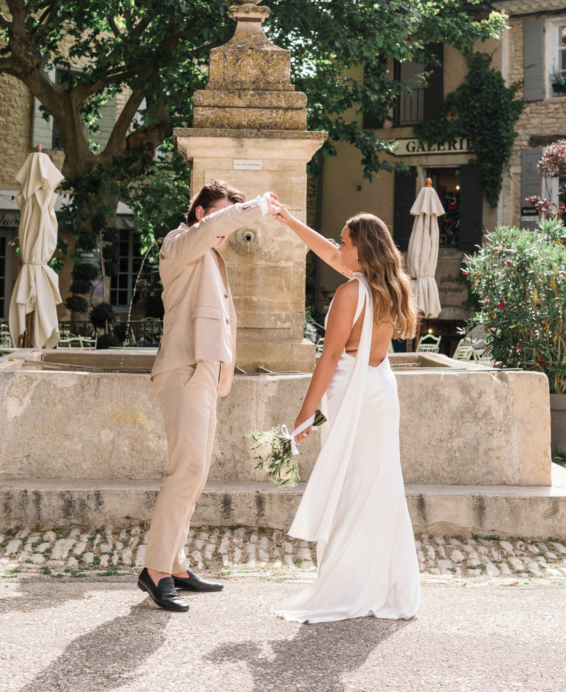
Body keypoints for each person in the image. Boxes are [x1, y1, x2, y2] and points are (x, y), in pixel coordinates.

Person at [266, 205, 421, 623]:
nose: (338, 247)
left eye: (344, 241)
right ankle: (383, 582)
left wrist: (304, 414)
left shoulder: (349, 294)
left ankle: (348, 585)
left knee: (351, 487)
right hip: (380, 390)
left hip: (352, 392)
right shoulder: (392, 287)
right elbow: (330, 255)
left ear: (361, 251)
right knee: (379, 484)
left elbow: (330, 357)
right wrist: (291, 222)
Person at [137, 180, 279, 612]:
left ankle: (176, 564)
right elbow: (216, 224)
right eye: (220, 215)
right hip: (182, 369)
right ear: (201, 213)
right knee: (187, 469)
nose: (226, 227)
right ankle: (156, 569)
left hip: (204, 373)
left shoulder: (212, 256)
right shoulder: (179, 243)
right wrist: (256, 206)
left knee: (194, 474)